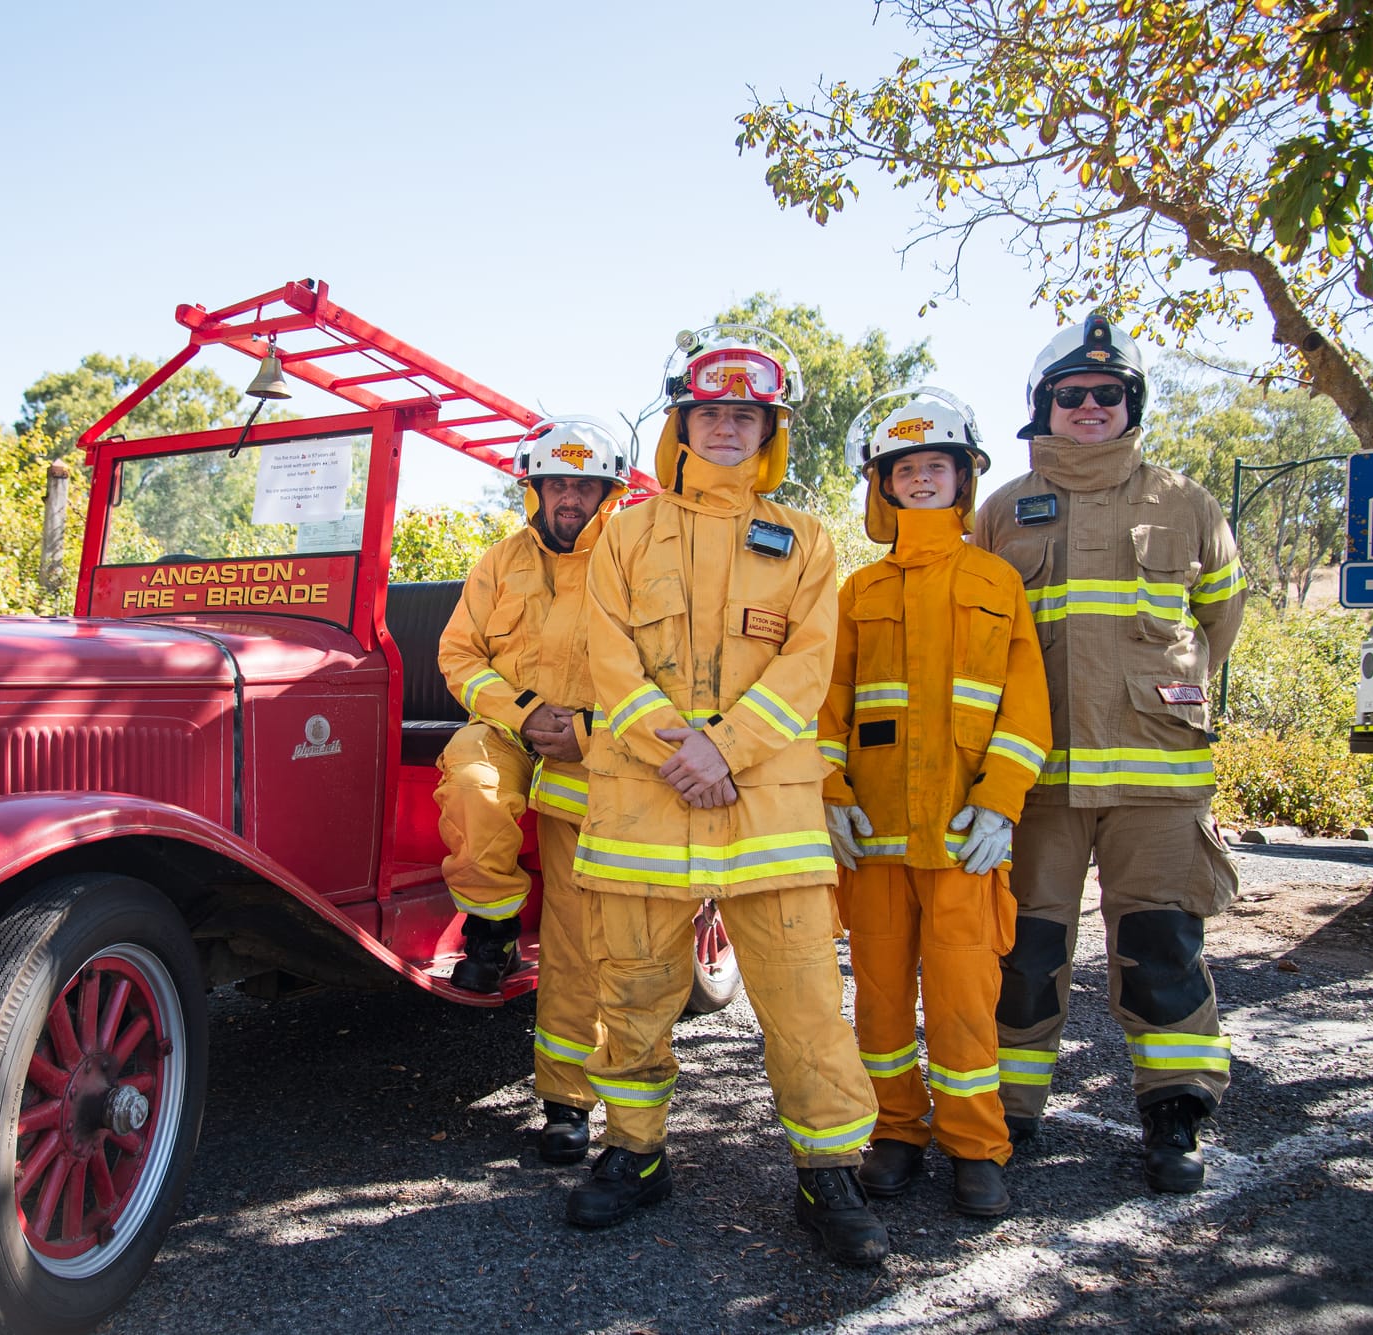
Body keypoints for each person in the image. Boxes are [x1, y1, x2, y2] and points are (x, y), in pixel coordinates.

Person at [568, 331, 889, 1268]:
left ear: (768, 433)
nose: (725, 429)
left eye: (744, 415)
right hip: (645, 794)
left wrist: (725, 748)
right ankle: (633, 1154)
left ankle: (828, 1171)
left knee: (801, 1000)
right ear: (682, 424)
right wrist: (678, 747)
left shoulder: (808, 540)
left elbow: (808, 664)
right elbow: (607, 651)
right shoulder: (622, 533)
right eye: (710, 413)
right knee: (631, 990)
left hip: (764, 802)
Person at [974, 312, 1246, 1194]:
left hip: (1155, 782)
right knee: (1025, 950)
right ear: (1041, 406)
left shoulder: (1190, 504)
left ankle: (1176, 1112)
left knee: (1163, 944)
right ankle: (1009, 1113)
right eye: (1072, 394)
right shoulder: (1001, 511)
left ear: (1131, 405)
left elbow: (1218, 625)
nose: (1090, 406)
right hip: (1037, 780)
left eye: (1109, 394)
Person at [818, 389, 1050, 1219]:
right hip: (874, 837)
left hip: (962, 837)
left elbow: (1025, 709)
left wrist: (1001, 803)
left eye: (935, 467)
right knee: (878, 998)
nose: (920, 480)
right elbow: (828, 706)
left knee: (961, 997)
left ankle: (976, 1145)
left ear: (964, 477)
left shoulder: (996, 580)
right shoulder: (856, 590)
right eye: (905, 468)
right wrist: (829, 792)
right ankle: (897, 1130)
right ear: (883, 485)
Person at [436, 416, 631, 1165]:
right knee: (473, 784)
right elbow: (459, 653)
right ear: (536, 489)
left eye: (584, 483)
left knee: (580, 938)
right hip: (509, 726)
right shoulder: (499, 561)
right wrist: (520, 712)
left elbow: (660, 671)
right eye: (557, 482)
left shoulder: (629, 561)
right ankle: (491, 932)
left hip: (592, 748)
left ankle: (566, 1103)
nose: (569, 496)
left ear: (606, 491)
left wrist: (588, 728)